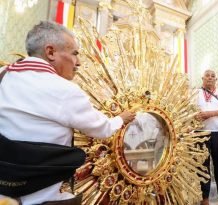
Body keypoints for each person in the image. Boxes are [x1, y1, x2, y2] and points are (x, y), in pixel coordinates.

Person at [0, 21, 136, 204]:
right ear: (50, 52)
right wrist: (121, 119)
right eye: (74, 54)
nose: (78, 62)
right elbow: (102, 129)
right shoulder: (65, 90)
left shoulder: (3, 76)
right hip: (43, 199)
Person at [196, 70, 218, 205]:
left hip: (217, 132)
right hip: (200, 133)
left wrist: (209, 114)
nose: (210, 77)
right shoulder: (196, 93)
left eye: (213, 76)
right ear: (202, 78)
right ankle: (205, 198)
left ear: (216, 80)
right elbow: (190, 110)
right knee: (202, 167)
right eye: (207, 75)